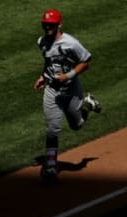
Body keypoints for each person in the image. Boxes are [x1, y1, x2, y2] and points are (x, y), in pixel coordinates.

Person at [33, 8, 101, 180]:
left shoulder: (71, 43)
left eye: (51, 25)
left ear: (59, 25)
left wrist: (68, 76)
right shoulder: (42, 42)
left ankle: (87, 104)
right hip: (52, 92)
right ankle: (50, 166)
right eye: (45, 24)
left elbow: (86, 61)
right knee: (52, 129)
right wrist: (43, 76)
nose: (47, 27)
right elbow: (49, 63)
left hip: (71, 91)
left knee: (76, 125)